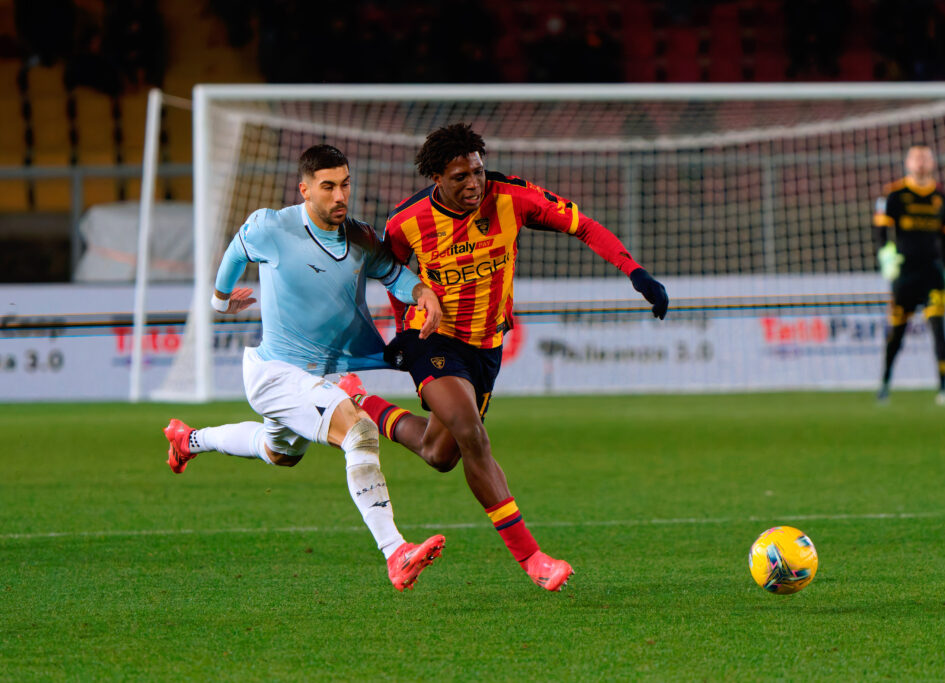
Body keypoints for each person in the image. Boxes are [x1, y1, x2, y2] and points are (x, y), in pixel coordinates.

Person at [339, 123, 669, 592]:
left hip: (486, 345)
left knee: (439, 454)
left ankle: (360, 402)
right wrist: (402, 332)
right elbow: (392, 275)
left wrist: (635, 272)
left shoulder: (512, 197)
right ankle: (533, 559)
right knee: (472, 432)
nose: (474, 183)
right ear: (436, 178)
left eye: (477, 171)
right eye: (460, 177)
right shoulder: (407, 221)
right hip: (434, 339)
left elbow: (582, 225)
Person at [162, 144, 446, 591]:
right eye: (328, 187)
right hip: (275, 374)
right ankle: (396, 552)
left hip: (316, 378)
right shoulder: (272, 227)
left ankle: (189, 440)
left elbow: (394, 274)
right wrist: (220, 301)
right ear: (305, 190)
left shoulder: (360, 237)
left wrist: (421, 292)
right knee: (359, 430)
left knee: (278, 453)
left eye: (345, 184)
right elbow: (236, 252)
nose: (340, 196)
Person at [873, 144, 945, 406]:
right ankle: (885, 384)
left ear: (932, 163)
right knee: (897, 331)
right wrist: (886, 256)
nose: (921, 162)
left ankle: (944, 388)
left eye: (925, 158)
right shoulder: (895, 194)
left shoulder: (942, 197)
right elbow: (881, 231)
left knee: (939, 328)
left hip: (933, 274)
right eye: (916, 158)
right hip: (906, 274)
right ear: (908, 163)